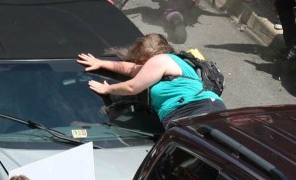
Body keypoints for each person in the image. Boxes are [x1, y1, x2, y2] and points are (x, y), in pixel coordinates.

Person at [78, 34, 225, 126]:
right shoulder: (171, 62)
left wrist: (107, 89)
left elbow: (132, 87)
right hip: (201, 109)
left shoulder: (159, 61)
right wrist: (101, 63)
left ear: (146, 55)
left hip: (194, 110)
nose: (140, 63)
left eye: (141, 59)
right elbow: (131, 69)